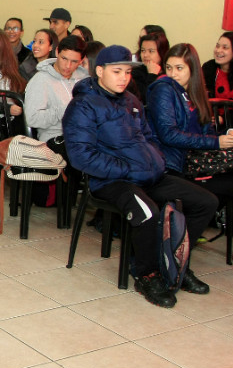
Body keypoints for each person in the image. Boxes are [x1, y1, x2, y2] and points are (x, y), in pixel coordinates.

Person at [63, 45, 219, 308]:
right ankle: (146, 273)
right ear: (99, 71)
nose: (123, 77)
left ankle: (174, 263)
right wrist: (127, 169)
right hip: (111, 181)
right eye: (117, 71)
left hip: (148, 174)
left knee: (206, 202)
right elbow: (82, 157)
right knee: (148, 212)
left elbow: (150, 138)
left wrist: (156, 161)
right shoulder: (83, 106)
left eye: (127, 72)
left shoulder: (132, 102)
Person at [147, 44, 233, 273]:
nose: (173, 74)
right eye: (169, 67)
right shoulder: (164, 89)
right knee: (220, 193)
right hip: (169, 167)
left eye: (179, 68)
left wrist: (224, 136)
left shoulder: (195, 95)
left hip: (192, 164)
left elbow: (204, 136)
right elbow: (169, 135)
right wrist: (215, 143)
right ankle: (174, 255)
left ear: (193, 70)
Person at [25, 35, 89, 146]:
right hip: (55, 139)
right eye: (64, 59)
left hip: (84, 136)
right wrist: (65, 110)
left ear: (81, 61)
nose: (68, 66)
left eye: (74, 61)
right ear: (57, 52)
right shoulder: (40, 80)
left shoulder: (84, 79)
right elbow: (32, 119)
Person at [131, 30, 170, 104]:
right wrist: (152, 75)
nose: (145, 55)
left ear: (162, 52)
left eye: (151, 51)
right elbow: (145, 100)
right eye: (143, 50)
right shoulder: (136, 73)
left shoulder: (170, 72)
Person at [202, 31, 233, 100]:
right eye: (217, 46)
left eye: (225, 47)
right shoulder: (209, 67)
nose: (218, 50)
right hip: (212, 110)